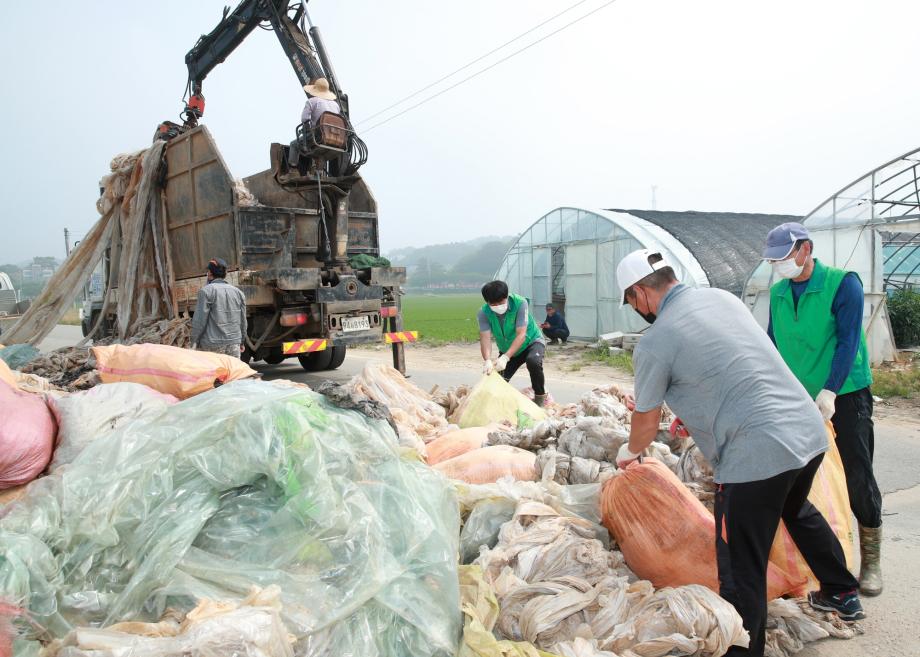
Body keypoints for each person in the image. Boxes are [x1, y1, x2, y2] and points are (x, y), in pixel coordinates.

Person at [613, 249, 862, 657]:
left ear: (639, 293)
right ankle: (841, 591)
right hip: (806, 431)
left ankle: (745, 650)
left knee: (740, 563)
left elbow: (643, 421)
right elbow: (732, 366)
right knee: (796, 509)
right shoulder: (721, 299)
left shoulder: (657, 340)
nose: (636, 309)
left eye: (632, 302)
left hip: (756, 456)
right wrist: (694, 417)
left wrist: (629, 451)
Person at [762, 222, 882, 596]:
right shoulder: (779, 293)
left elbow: (848, 341)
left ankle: (872, 561)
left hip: (844, 395)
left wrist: (830, 391)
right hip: (798, 399)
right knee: (798, 480)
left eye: (784, 257)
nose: (780, 266)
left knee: (856, 476)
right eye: (773, 260)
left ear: (805, 250)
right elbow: (771, 345)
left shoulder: (842, 283)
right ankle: (812, 557)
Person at [478, 280, 548, 406]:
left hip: (531, 341)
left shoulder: (520, 303)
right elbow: (485, 338)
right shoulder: (484, 313)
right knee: (496, 380)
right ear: (487, 302)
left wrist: (505, 357)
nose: (497, 306)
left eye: (501, 302)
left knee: (533, 362)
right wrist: (487, 360)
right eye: (493, 303)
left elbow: (521, 334)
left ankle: (540, 399)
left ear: (507, 296)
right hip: (507, 348)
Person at [190, 258, 247, 358]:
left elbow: (199, 321)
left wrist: (194, 342)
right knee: (232, 373)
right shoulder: (238, 293)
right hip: (234, 344)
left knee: (214, 374)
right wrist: (241, 342)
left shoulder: (206, 292)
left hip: (212, 345)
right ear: (225, 273)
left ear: (209, 273)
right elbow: (243, 321)